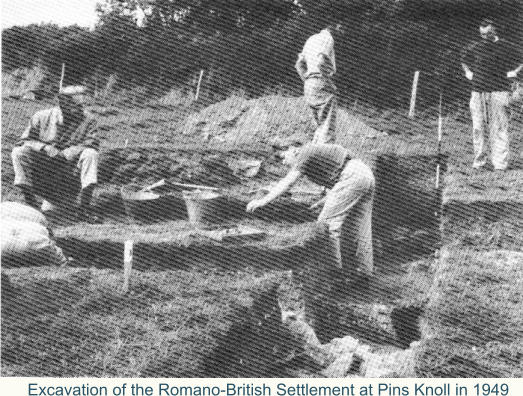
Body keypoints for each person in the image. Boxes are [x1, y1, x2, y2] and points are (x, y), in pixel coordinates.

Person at [11, 85, 100, 221]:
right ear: (62, 103)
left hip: (70, 176)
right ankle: (32, 207)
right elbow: (24, 140)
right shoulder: (41, 117)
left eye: (82, 105)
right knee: (18, 152)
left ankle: (83, 209)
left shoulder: (89, 120)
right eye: (76, 105)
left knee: (91, 154)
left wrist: (68, 153)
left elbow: (92, 143)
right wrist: (44, 148)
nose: (80, 109)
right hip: (44, 175)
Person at [461, 19, 523, 171]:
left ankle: (500, 164)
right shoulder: (475, 47)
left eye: (487, 33)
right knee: (478, 128)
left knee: (499, 128)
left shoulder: (506, 46)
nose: (484, 37)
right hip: (477, 91)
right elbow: (463, 60)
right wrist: (468, 73)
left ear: (494, 30)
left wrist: (515, 72)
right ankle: (479, 162)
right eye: (482, 34)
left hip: (499, 91)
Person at [295, 23, 344, 144]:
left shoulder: (311, 39)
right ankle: (325, 159)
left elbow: (299, 65)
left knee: (320, 126)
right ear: (334, 26)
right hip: (320, 80)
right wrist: (325, 79)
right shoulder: (328, 38)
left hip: (309, 84)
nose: (342, 32)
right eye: (341, 27)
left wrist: (307, 80)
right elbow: (321, 61)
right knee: (328, 125)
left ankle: (315, 156)